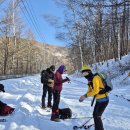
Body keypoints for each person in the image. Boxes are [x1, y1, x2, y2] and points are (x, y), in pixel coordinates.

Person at [79, 65, 109, 130]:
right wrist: (84, 96)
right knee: (95, 114)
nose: (84, 75)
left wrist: (85, 96)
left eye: (86, 73)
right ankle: (97, 126)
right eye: (83, 73)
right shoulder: (90, 80)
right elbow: (89, 91)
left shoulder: (95, 78)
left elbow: (96, 91)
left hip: (104, 100)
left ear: (89, 72)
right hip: (99, 100)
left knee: (97, 116)